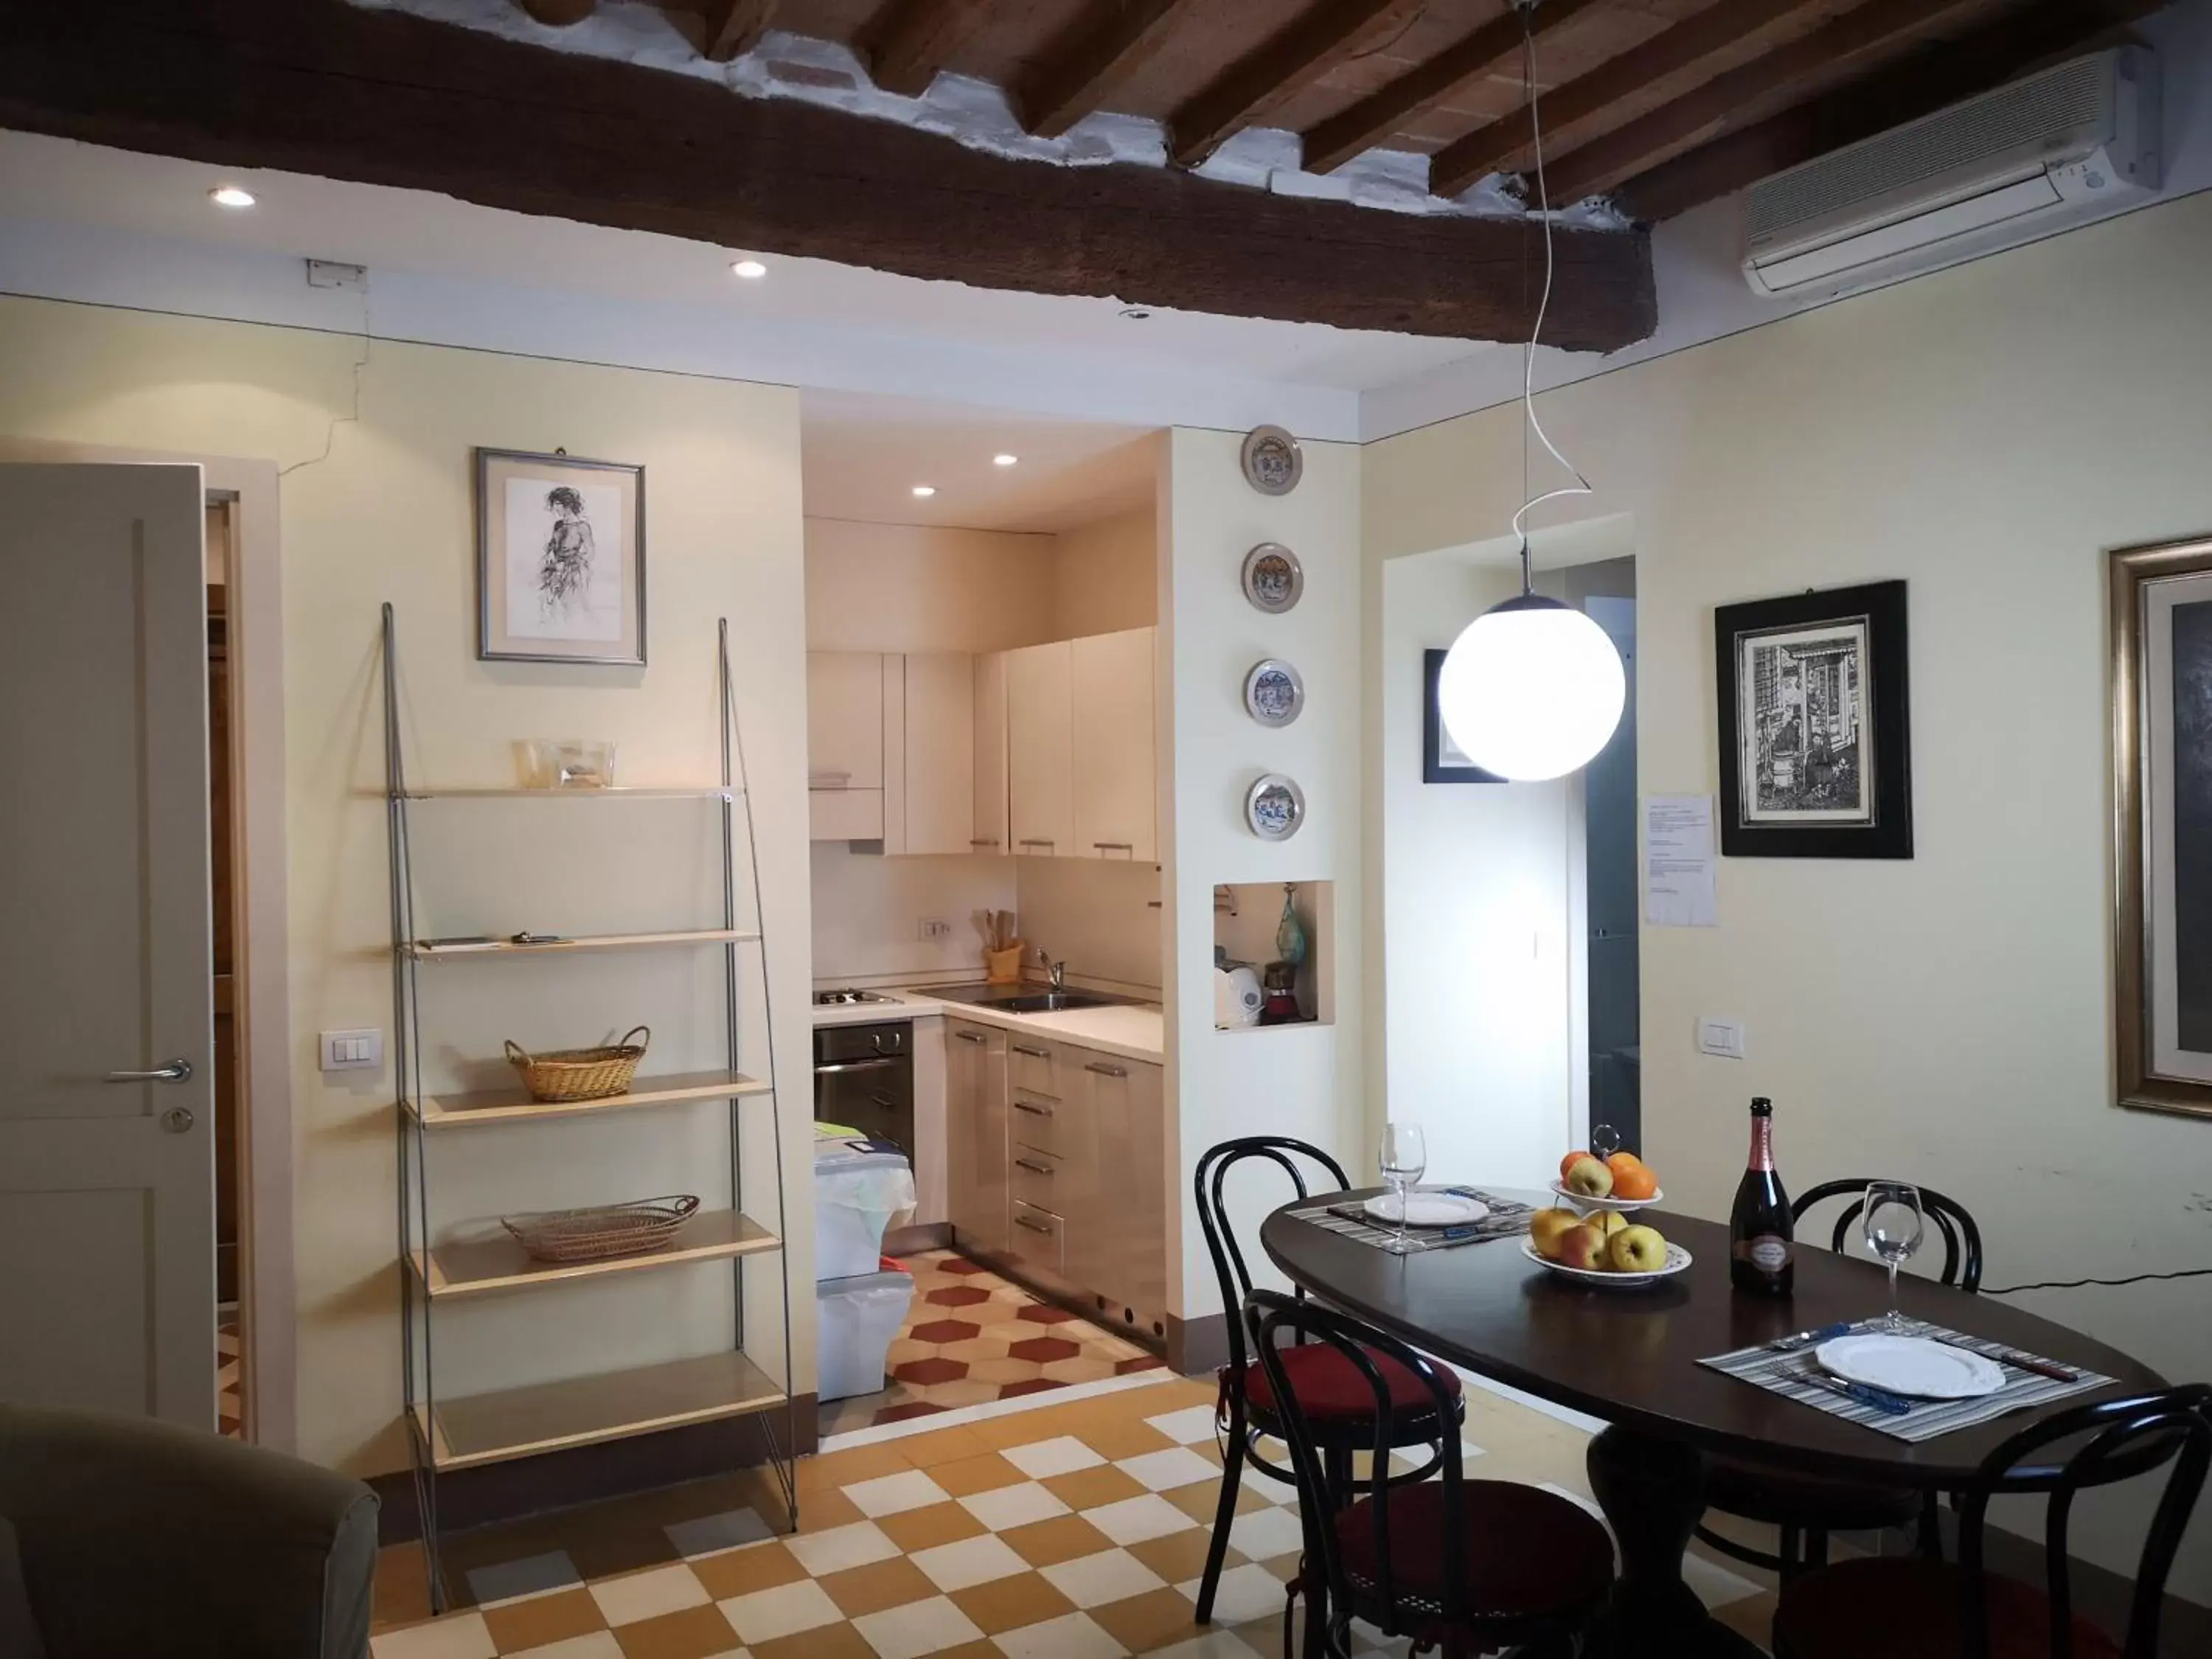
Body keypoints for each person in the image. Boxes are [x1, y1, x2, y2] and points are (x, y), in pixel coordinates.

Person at [538, 486, 595, 622]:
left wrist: (571, 564)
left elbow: (590, 553)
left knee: (570, 606)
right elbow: (552, 547)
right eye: (554, 504)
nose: (555, 508)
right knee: (549, 605)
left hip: (573, 573)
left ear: (568, 504)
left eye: (558, 504)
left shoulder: (582, 527)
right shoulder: (558, 525)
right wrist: (550, 555)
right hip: (554, 571)